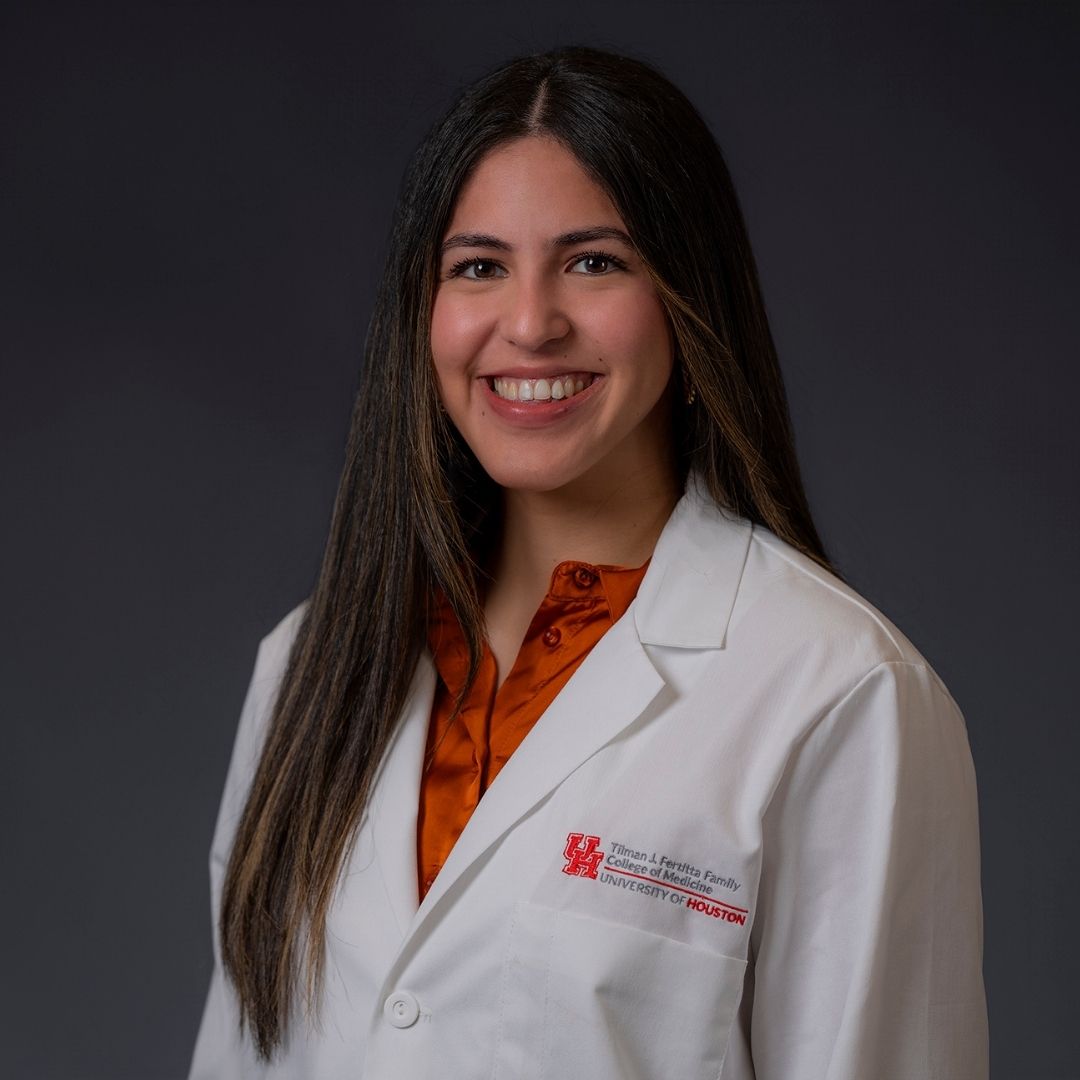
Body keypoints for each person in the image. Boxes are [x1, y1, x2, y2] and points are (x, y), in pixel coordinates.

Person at [188, 45, 988, 1080]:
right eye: (479, 267)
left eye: (594, 262)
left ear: (690, 301)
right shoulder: (310, 665)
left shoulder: (840, 692)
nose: (530, 324)